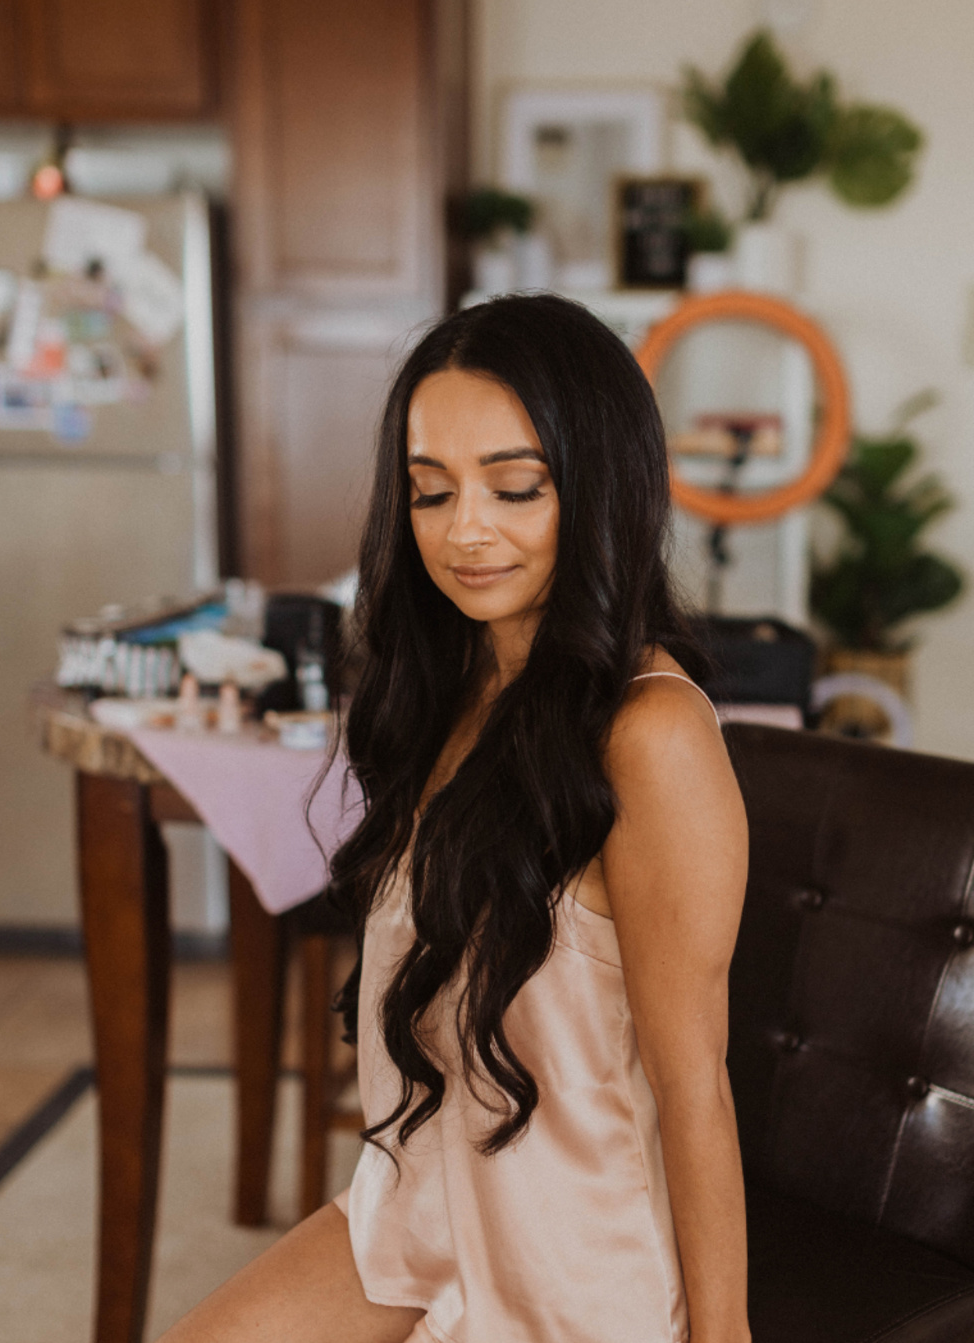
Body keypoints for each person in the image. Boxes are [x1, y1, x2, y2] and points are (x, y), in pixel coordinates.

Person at [160, 294, 751, 1343]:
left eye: (515, 487)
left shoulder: (651, 737)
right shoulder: (456, 686)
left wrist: (724, 1333)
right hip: (414, 1208)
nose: (465, 529)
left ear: (600, 486)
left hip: (574, 1255)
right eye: (431, 491)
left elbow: (692, 1077)